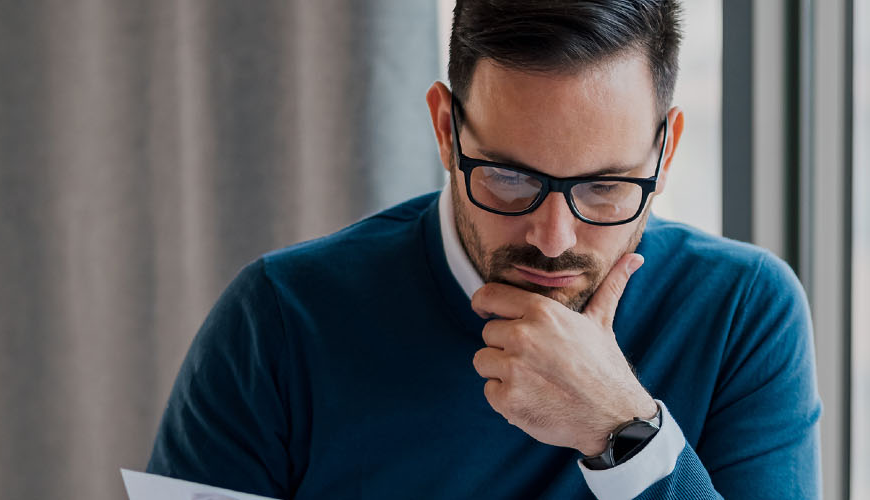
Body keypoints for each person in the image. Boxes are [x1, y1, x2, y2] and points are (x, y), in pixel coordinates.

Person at [145, 1, 821, 498]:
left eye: (606, 188)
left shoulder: (744, 312)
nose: (554, 239)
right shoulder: (280, 320)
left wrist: (622, 433)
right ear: (446, 129)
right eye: (509, 178)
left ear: (666, 151)